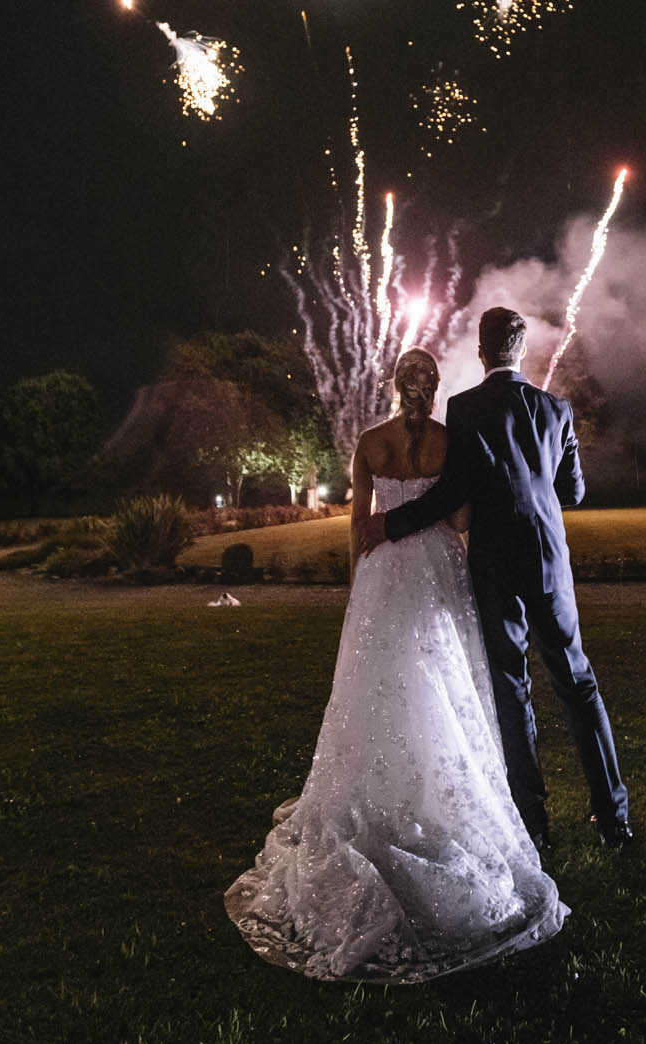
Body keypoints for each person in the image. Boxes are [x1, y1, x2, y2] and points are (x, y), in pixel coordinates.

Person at [224, 346, 566, 983]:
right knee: (443, 678)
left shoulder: (370, 443)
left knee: (378, 683)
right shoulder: (449, 441)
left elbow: (359, 527)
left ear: (392, 385)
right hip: (437, 571)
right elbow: (460, 518)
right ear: (432, 390)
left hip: (385, 576)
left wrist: (361, 591)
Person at [358, 307, 632, 852]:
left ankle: (533, 825)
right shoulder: (556, 409)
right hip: (549, 563)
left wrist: (391, 522)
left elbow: (452, 489)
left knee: (512, 691)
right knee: (578, 685)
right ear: (522, 351)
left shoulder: (465, 409)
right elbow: (573, 492)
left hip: (494, 564)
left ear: (482, 354)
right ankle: (614, 818)